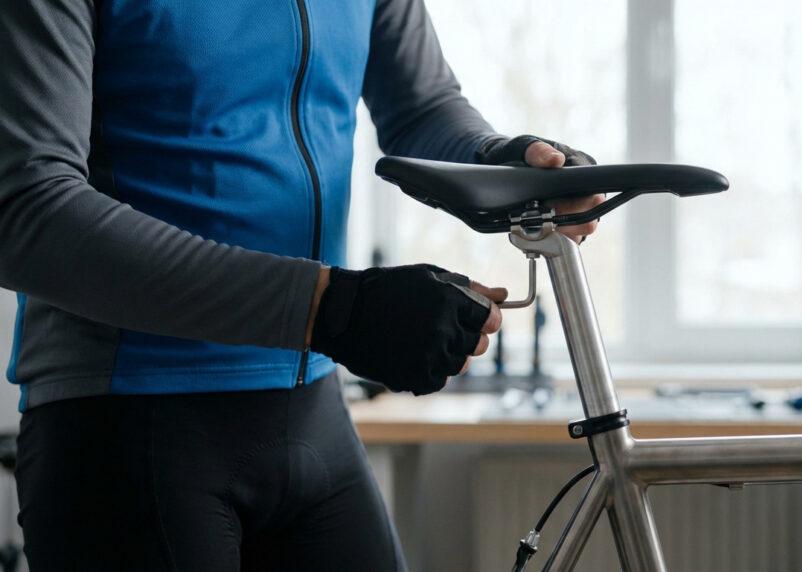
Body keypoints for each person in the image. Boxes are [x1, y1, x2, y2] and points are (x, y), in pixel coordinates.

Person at [0, 0, 601, 570]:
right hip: (126, 420)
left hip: (312, 408)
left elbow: (421, 106)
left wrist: (508, 161)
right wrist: (333, 307)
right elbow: (26, 209)